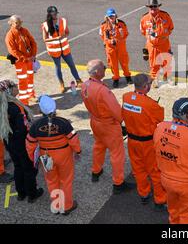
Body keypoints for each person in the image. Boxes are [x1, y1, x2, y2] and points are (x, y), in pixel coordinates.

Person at [81, 59, 133, 194]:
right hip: (108, 125)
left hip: (95, 122)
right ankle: (118, 183)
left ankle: (96, 171)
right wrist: (123, 122)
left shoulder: (85, 85)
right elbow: (116, 111)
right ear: (98, 72)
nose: (106, 68)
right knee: (117, 153)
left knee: (99, 146)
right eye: (104, 67)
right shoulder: (103, 91)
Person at [26, 95, 81, 215]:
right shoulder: (63, 122)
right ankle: (66, 206)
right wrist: (78, 151)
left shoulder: (35, 125)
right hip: (64, 155)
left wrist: (34, 160)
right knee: (66, 180)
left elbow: (30, 144)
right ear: (55, 108)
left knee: (51, 180)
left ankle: (56, 205)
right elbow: (73, 139)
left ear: (40, 110)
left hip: (45, 156)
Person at [121, 74, 166, 210]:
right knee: (155, 171)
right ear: (146, 86)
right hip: (147, 143)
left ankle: (144, 194)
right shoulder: (150, 104)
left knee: (138, 169)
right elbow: (160, 118)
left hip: (132, 141)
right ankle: (159, 200)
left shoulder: (126, 97)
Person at [0, 80, 43, 202]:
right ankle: (32, 194)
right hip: (20, 142)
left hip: (9, 142)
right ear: (9, 90)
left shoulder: (4, 105)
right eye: (14, 86)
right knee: (28, 168)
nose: (17, 87)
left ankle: (21, 193)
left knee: (18, 167)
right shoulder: (14, 107)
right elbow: (22, 128)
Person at [41, 6, 83, 93]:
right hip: (54, 50)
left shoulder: (63, 21)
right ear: (49, 14)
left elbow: (67, 32)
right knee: (58, 67)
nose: (56, 15)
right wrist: (56, 39)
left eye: (56, 13)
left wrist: (64, 36)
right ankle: (62, 84)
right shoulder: (45, 25)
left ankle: (78, 80)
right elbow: (45, 39)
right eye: (54, 14)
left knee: (72, 65)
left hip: (65, 48)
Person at [140, 0, 175, 88]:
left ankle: (168, 77)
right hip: (152, 46)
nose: (153, 8)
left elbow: (171, 28)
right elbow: (143, 31)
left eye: (155, 6)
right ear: (148, 7)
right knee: (153, 63)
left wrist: (162, 35)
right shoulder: (144, 18)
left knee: (166, 62)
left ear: (158, 7)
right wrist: (151, 39)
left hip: (164, 44)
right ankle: (155, 79)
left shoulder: (165, 16)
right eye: (151, 6)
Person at [5, 15, 37, 105]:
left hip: (29, 60)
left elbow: (33, 42)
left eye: (20, 22)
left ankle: (31, 95)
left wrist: (33, 55)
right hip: (20, 62)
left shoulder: (24, 30)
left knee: (30, 78)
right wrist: (26, 58)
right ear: (11, 23)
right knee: (23, 81)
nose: (19, 24)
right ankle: (24, 102)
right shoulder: (9, 35)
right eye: (17, 23)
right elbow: (13, 51)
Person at [100, 8, 132, 88]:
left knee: (124, 62)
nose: (111, 18)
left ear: (115, 16)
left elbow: (126, 34)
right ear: (107, 17)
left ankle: (128, 77)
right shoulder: (103, 25)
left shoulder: (121, 24)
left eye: (113, 16)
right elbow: (102, 36)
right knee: (113, 64)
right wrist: (109, 41)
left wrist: (120, 36)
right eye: (110, 16)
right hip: (110, 48)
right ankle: (116, 79)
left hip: (121, 47)